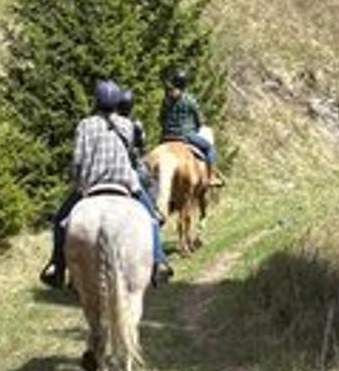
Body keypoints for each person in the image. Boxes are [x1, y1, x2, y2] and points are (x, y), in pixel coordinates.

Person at [38, 79, 171, 291]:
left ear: (96, 101)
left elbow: (78, 160)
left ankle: (58, 267)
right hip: (126, 183)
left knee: (59, 221)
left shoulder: (85, 125)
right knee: (152, 219)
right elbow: (135, 152)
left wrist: (77, 181)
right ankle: (159, 262)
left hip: (92, 185)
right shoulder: (127, 125)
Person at [158, 67, 217, 169]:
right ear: (185, 84)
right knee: (210, 148)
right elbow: (199, 121)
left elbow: (161, 119)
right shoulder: (190, 100)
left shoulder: (166, 100)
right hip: (186, 136)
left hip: (166, 137)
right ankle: (211, 175)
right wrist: (197, 127)